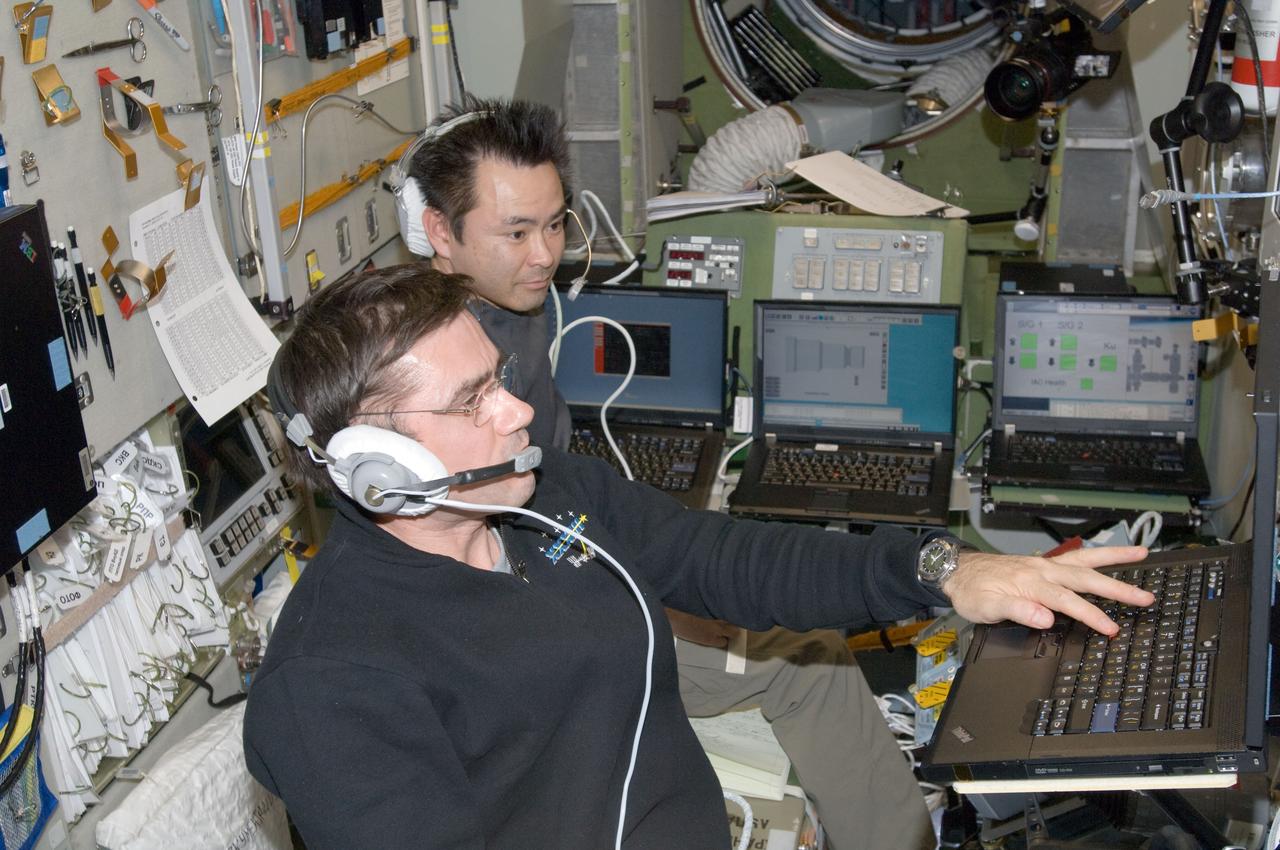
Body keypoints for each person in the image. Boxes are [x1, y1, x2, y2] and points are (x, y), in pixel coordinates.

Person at [242, 264, 1153, 849]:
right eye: (474, 399)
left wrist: (943, 570)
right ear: (376, 463)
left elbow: (725, 557)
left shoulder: (544, 495)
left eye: (503, 380)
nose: (515, 413)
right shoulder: (334, 680)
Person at [407, 96, 929, 848]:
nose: (544, 254)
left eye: (555, 224)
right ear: (438, 233)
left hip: (574, 566)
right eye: (515, 231)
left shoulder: (511, 302)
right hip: (550, 632)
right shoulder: (428, 371)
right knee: (808, 656)